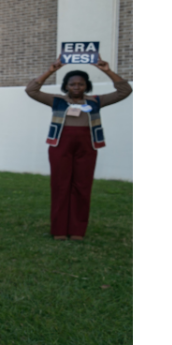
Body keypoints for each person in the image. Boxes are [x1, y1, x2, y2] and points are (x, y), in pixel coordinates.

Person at [26, 60, 132, 241]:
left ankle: (77, 231)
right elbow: (31, 90)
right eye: (72, 84)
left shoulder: (96, 101)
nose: (76, 87)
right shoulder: (57, 101)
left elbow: (125, 91)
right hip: (60, 145)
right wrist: (51, 70)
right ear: (66, 86)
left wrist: (107, 70)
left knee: (82, 186)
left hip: (87, 146)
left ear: (86, 85)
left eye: (80, 84)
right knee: (60, 186)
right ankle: (59, 230)